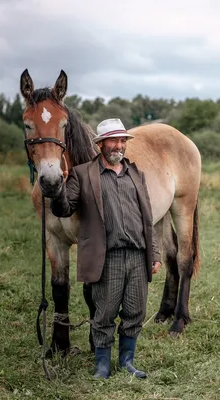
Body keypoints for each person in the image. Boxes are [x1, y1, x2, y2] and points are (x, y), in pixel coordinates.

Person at [50, 118, 162, 379]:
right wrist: (57, 189)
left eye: (122, 140)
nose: (119, 145)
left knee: (136, 311)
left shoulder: (136, 174)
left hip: (136, 255)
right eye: (113, 140)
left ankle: (127, 361)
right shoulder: (82, 174)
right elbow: (64, 209)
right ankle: (102, 365)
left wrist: (154, 253)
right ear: (100, 144)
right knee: (105, 313)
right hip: (107, 257)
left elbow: (148, 219)